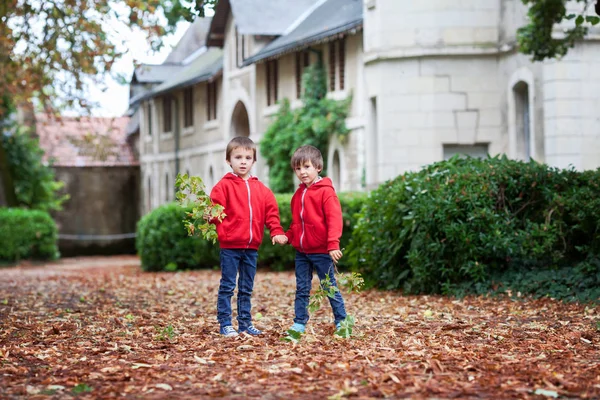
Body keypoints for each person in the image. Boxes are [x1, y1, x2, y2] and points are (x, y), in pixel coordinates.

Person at [210, 136, 288, 337]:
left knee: (246, 287)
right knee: (228, 285)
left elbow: (271, 213)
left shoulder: (262, 190)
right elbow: (215, 210)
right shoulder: (223, 186)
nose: (243, 161)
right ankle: (225, 323)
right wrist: (210, 216)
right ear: (229, 161)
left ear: (254, 161)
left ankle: (245, 323)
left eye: (247, 157)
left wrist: (277, 231)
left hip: (252, 247)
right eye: (238, 157)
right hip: (230, 246)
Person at [285, 145, 347, 335]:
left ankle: (342, 321)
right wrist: (288, 236)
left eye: (306, 167)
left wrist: (333, 244)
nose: (302, 172)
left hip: (321, 251)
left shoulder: (326, 192)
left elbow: (334, 219)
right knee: (302, 289)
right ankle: (299, 324)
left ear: (318, 167)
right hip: (302, 252)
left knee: (329, 286)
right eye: (298, 168)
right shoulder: (298, 195)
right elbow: (297, 223)